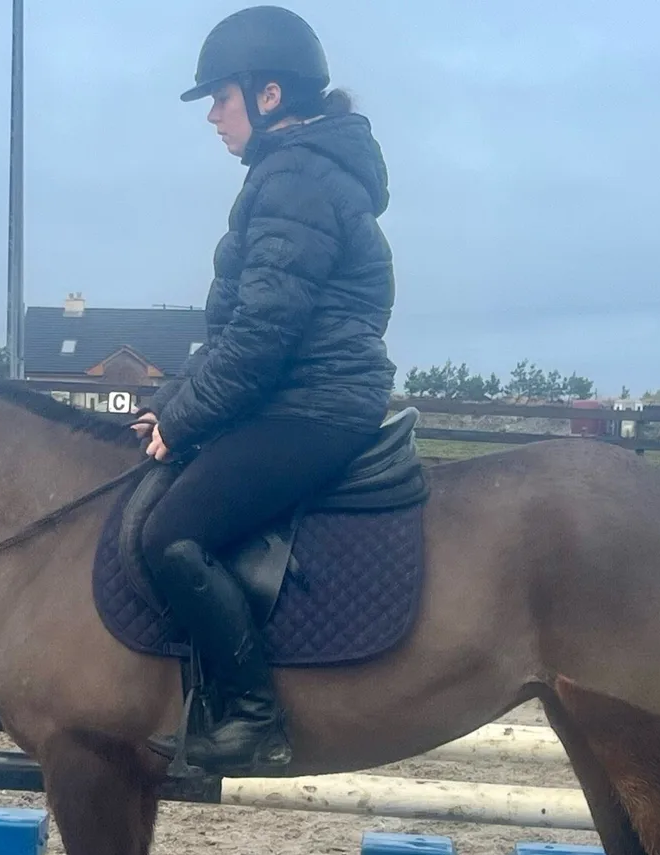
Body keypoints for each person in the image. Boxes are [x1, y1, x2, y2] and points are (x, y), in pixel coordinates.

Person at [134, 5, 396, 775]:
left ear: (270, 96)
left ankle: (253, 715)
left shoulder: (294, 177)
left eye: (222, 96)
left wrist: (182, 422)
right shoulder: (299, 171)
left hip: (313, 403)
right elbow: (237, 330)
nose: (214, 115)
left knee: (167, 536)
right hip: (301, 391)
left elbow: (262, 338)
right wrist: (171, 398)